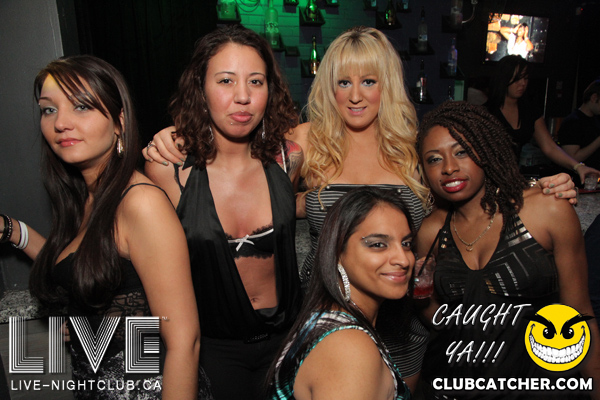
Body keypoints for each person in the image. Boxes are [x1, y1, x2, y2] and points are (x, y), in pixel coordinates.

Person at [144, 27, 579, 392]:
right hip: (322, 316)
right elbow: (255, 185)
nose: (355, 96)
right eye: (343, 83)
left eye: (368, 81)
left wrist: (535, 186)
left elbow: (465, 188)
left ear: (386, 84)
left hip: (400, 318)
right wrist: (175, 136)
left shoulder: (412, 147)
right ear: (328, 87)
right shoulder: (303, 142)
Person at [0, 55, 211, 399]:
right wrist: (12, 230)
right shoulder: (87, 197)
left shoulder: (141, 203)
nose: (61, 123)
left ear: (118, 121)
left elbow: (184, 342)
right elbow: (77, 264)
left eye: (81, 106)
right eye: (49, 109)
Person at [143, 25, 303, 400]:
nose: (243, 96)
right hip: (214, 350)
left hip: (289, 340)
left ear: (270, 90)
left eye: (256, 81)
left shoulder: (289, 157)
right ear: (200, 89)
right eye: (226, 81)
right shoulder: (169, 169)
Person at [415, 101, 600, 399]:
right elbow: (439, 318)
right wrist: (417, 295)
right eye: (434, 159)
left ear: (486, 151)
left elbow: (580, 314)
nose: (449, 167)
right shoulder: (431, 232)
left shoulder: (546, 210)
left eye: (461, 152)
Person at [267, 187, 413, 399]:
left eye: (406, 243)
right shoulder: (348, 349)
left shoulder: (332, 320)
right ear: (337, 252)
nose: (403, 259)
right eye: (378, 244)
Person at [486, 55, 600, 183]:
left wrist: (578, 167)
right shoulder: (487, 112)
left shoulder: (529, 110)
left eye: (525, 78)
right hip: (489, 179)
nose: (523, 83)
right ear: (504, 78)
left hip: (513, 179)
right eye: (517, 78)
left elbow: (549, 147)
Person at [559, 80, 600, 170]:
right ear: (594, 98)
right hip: (579, 176)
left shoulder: (596, 120)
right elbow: (572, 158)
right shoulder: (572, 122)